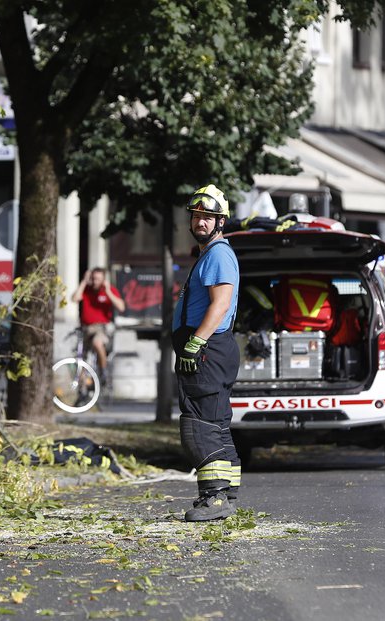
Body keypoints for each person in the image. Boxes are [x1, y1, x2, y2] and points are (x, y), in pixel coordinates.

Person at [172, 184, 241, 522]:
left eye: (208, 217)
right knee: (217, 424)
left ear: (221, 222)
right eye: (197, 216)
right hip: (211, 351)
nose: (200, 221)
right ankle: (227, 494)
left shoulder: (217, 254)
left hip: (207, 352)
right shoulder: (209, 254)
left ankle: (214, 500)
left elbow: (221, 303)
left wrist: (196, 342)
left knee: (201, 425)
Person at [71, 267, 125, 383]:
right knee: (79, 358)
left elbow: (121, 307)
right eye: (93, 278)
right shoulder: (86, 290)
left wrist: (108, 292)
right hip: (86, 328)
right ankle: (83, 389)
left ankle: (103, 370)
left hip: (101, 328)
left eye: (98, 279)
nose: (95, 281)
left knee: (97, 342)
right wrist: (84, 282)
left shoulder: (109, 290)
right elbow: (75, 298)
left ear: (104, 280)